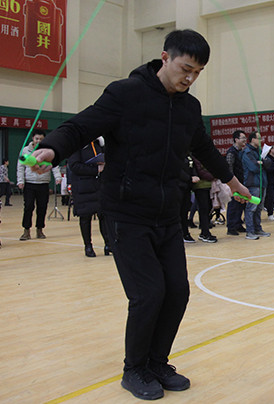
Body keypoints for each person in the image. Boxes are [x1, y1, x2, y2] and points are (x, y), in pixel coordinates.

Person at [29, 29, 250, 400]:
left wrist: (234, 182)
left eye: (197, 73)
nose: (190, 78)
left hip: (167, 214)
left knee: (177, 292)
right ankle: (134, 369)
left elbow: (205, 150)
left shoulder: (189, 108)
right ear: (165, 58)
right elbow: (80, 126)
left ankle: (157, 362)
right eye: (185, 69)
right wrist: (51, 150)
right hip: (125, 213)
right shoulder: (125, 94)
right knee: (148, 293)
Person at [68, 137, 110, 257]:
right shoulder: (77, 146)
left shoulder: (98, 144)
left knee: (104, 216)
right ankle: (88, 246)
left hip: (99, 186)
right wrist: (95, 169)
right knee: (85, 218)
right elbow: (74, 166)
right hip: (83, 188)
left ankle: (108, 244)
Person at [17, 129, 62, 240]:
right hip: (29, 183)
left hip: (43, 183)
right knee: (28, 207)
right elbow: (20, 166)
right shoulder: (25, 150)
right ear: (33, 138)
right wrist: (20, 181)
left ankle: (40, 229)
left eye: (41, 139)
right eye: (37, 138)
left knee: (42, 207)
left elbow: (54, 165)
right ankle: (26, 230)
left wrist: (58, 177)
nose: (38, 141)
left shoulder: (47, 150)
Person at [241, 131, 270, 240]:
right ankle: (250, 231)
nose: (261, 140)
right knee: (251, 208)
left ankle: (258, 229)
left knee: (259, 208)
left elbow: (268, 163)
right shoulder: (247, 152)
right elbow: (254, 168)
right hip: (253, 183)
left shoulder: (259, 151)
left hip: (262, 182)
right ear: (253, 139)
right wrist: (261, 163)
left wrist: (261, 163)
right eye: (259, 138)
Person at [226, 130, 247, 235]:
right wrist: (232, 182)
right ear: (236, 139)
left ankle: (238, 224)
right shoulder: (231, 152)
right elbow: (229, 168)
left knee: (240, 204)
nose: (245, 140)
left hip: (242, 182)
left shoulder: (241, 151)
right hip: (234, 183)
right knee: (233, 205)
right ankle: (231, 227)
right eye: (243, 138)